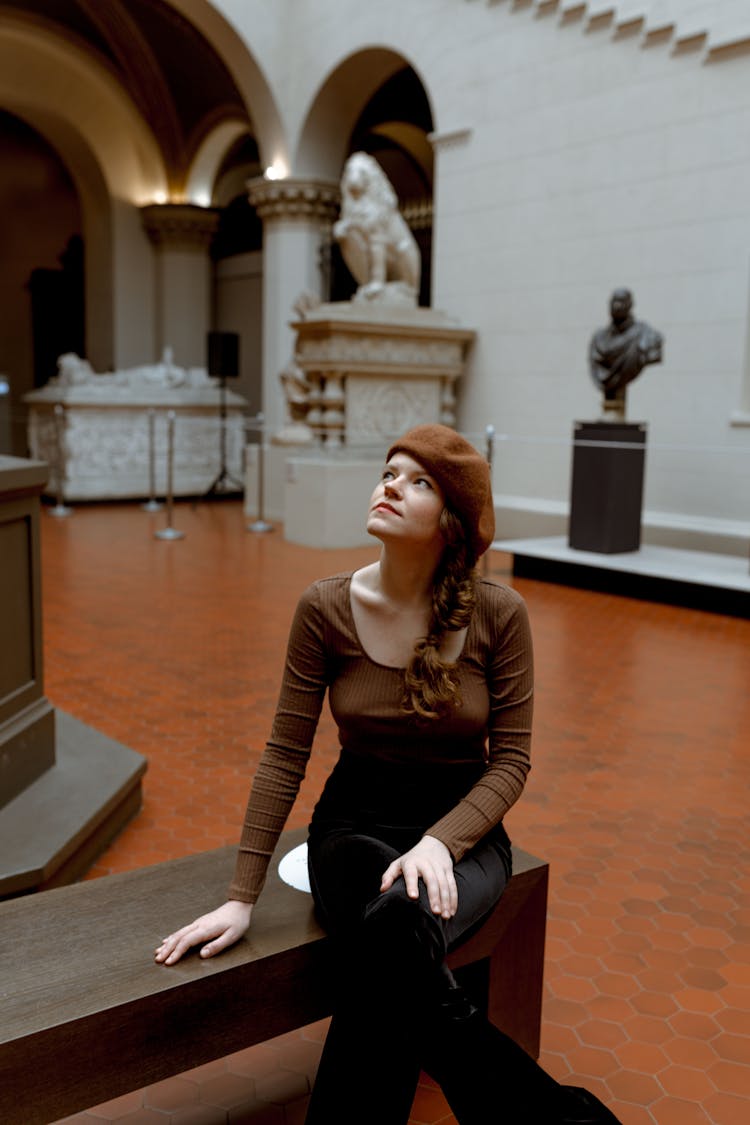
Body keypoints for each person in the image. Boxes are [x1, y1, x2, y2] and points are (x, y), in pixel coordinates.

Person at [155, 424, 621, 1125]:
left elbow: (513, 760)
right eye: (388, 471)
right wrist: (240, 895)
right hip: (351, 830)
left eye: (419, 480)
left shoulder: (500, 614)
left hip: (464, 837)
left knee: (393, 945)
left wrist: (441, 840)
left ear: (453, 522)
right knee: (399, 935)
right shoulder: (325, 607)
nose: (390, 485)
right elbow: (286, 752)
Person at [589, 288, 663, 420]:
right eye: (614, 301)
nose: (616, 306)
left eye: (621, 301)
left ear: (630, 305)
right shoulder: (599, 338)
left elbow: (653, 353)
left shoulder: (645, 334)